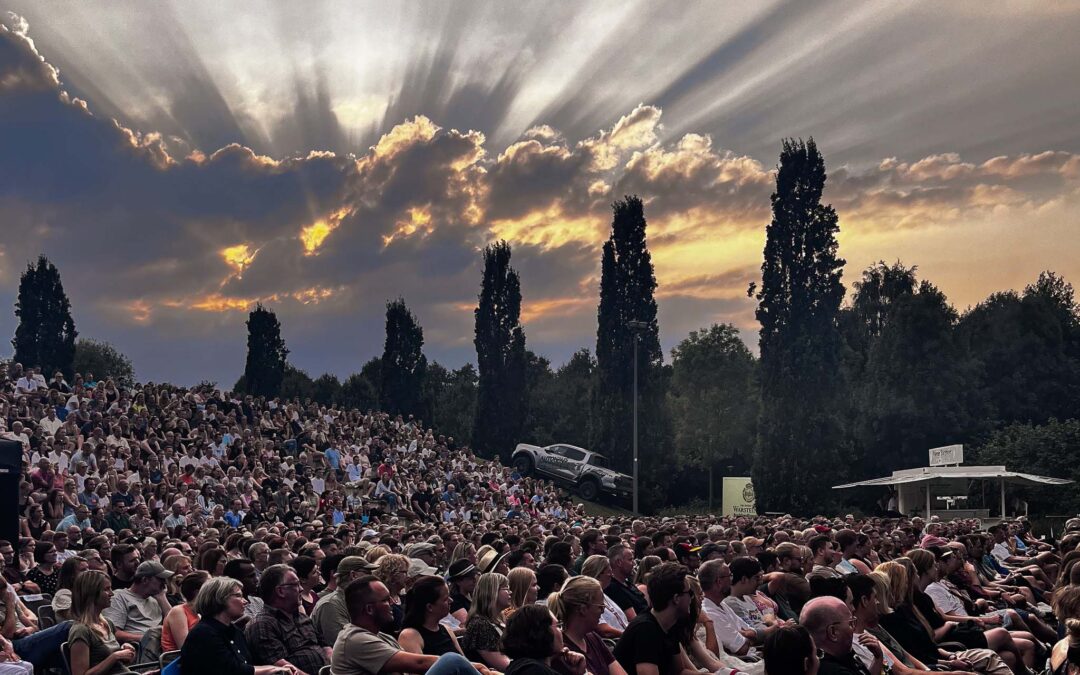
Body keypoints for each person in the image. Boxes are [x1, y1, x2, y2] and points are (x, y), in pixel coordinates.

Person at [331, 575, 491, 675]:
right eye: (386, 600)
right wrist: (477, 666)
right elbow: (418, 664)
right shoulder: (355, 639)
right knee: (451, 661)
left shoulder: (381, 637)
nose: (393, 602)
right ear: (369, 609)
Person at [180, 576, 301, 675]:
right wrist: (273, 669)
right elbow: (234, 671)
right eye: (238, 596)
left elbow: (248, 663)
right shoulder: (203, 634)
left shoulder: (234, 630)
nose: (245, 601)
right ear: (219, 599)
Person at [613, 562, 698, 675]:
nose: (693, 597)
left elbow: (680, 671)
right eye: (690, 593)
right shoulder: (645, 630)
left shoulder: (670, 625)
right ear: (676, 598)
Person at [244, 564, 329, 675]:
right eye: (296, 585)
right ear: (280, 591)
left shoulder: (301, 617)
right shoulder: (262, 624)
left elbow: (324, 645)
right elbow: (281, 666)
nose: (301, 589)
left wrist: (333, 666)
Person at [547, 575, 626, 675]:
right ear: (583, 609)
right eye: (600, 607)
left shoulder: (593, 637)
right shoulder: (562, 652)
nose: (603, 611)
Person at [68, 571, 137, 675]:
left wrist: (125, 650)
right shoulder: (81, 631)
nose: (112, 594)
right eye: (106, 589)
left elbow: (119, 666)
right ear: (91, 593)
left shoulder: (107, 623)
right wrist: (115, 656)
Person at [801, 595, 883, 675]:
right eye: (850, 623)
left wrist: (878, 659)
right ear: (833, 632)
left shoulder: (840, 655)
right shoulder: (833, 671)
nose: (853, 629)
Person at [102, 560, 172, 647]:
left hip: (162, 644)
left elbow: (174, 623)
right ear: (145, 580)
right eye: (160, 579)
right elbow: (113, 633)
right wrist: (147, 638)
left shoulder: (156, 598)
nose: (164, 583)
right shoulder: (119, 597)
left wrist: (162, 598)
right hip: (139, 647)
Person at [501, 604, 587, 675]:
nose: (561, 630)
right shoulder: (532, 670)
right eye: (557, 626)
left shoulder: (524, 667)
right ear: (541, 631)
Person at [313, 556, 377, 646]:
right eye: (368, 573)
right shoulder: (330, 605)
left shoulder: (356, 601)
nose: (372, 577)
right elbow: (344, 642)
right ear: (353, 575)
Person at [399, 575, 465, 657]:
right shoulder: (410, 636)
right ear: (430, 607)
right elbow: (417, 667)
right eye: (445, 599)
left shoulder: (446, 630)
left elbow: (465, 662)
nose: (451, 601)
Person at [461, 573, 511, 669]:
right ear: (492, 592)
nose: (510, 592)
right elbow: (505, 666)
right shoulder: (480, 625)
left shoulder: (497, 620)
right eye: (506, 588)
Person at [161, 572, 207, 653]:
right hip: (176, 661)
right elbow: (185, 648)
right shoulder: (178, 612)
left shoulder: (199, 613)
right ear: (198, 592)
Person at [53, 555, 89, 621]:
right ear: (71, 574)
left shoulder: (87, 591)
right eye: (83, 570)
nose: (88, 572)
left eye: (88, 568)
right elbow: (75, 618)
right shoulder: (62, 594)